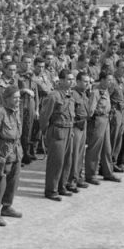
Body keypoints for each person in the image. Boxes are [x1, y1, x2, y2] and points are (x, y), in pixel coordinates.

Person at [0, 86, 24, 224]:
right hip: (3, 151)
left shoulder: (16, 111)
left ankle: (7, 206)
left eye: (19, 97)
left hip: (16, 150)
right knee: (0, 182)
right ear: (7, 98)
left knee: (13, 180)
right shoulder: (0, 113)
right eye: (15, 97)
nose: (18, 100)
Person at [39, 69, 75, 201]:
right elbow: (44, 116)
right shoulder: (54, 96)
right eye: (69, 79)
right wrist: (44, 132)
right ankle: (51, 190)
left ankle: (62, 186)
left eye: (72, 79)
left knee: (67, 161)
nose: (71, 82)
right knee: (56, 161)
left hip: (68, 130)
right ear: (61, 81)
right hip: (57, 130)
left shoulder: (69, 95)